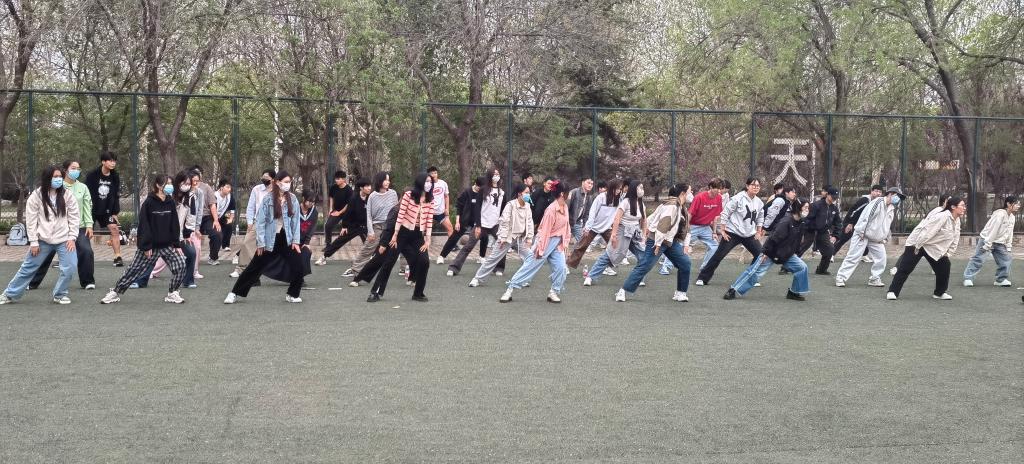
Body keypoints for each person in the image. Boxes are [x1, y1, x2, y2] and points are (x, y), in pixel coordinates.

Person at [99, 174, 188, 304]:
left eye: (171, 183)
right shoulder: (149, 203)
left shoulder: (170, 202)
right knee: (133, 270)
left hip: (167, 245)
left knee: (181, 265)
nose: (170, 186)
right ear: (158, 185)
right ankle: (115, 292)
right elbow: (144, 226)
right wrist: (146, 246)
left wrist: (176, 244)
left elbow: (174, 224)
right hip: (150, 246)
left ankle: (172, 292)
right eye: (167, 183)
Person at [0, 166, 81, 305]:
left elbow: (74, 217)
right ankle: (9, 294)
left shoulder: (67, 194)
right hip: (42, 240)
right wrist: (33, 242)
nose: (58, 179)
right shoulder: (36, 196)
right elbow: (31, 221)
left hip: (64, 239)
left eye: (60, 177)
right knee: (28, 268)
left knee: (70, 267)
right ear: (47, 178)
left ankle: (60, 294)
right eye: (55, 177)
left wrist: (72, 237)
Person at [224, 171, 304, 304]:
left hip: (287, 239)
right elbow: (260, 222)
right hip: (269, 239)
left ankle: (292, 294)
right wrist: (261, 243)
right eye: (285, 182)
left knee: (299, 267)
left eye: (289, 182)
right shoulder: (268, 199)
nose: (288, 184)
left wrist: (296, 241)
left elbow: (296, 222)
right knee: (254, 268)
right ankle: (234, 293)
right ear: (277, 182)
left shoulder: (293, 199)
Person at [615, 183, 693, 303]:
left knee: (685, 263)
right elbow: (663, 224)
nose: (691, 194)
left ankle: (680, 293)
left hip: (669, 241)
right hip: (658, 240)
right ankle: (623, 291)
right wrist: (657, 243)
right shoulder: (672, 206)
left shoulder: (681, 207)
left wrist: (686, 245)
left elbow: (685, 227)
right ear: (683, 193)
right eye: (690, 192)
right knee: (645, 265)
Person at [722, 198, 811, 301]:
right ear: (798, 207)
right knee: (755, 272)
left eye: (808, 208)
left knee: (802, 267)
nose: (807, 210)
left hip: (786, 254)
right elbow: (773, 238)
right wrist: (765, 252)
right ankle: (733, 290)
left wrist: (796, 252)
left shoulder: (802, 223)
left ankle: (794, 292)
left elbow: (797, 240)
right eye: (805, 207)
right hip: (771, 252)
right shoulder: (786, 221)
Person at [28, 160, 96, 291]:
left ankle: (87, 281)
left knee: (86, 250)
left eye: (78, 168)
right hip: (58, 228)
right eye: (73, 168)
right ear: (65, 170)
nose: (76, 171)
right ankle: (32, 282)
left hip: (79, 226)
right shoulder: (58, 187)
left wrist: (89, 225)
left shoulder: (83, 188)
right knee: (45, 254)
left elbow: (87, 206)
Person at [500, 180, 570, 303]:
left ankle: (554, 292)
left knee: (562, 268)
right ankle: (510, 289)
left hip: (557, 243)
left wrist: (565, 244)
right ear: (562, 193)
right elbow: (544, 231)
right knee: (530, 266)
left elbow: (566, 227)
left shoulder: (565, 207)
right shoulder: (551, 210)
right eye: (568, 192)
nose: (570, 194)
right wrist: (540, 248)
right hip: (545, 241)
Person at [369, 173, 434, 302]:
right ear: (420, 182)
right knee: (389, 262)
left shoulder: (430, 199)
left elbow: (429, 221)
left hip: (417, 235)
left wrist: (428, 240)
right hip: (402, 233)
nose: (429, 184)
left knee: (424, 261)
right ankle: (375, 292)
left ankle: (418, 293)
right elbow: (400, 215)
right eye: (427, 181)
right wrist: (395, 235)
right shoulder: (408, 195)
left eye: (431, 182)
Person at [886, 197, 965, 301]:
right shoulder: (942, 216)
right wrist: (917, 246)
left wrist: (949, 252)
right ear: (953, 207)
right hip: (917, 243)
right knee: (905, 268)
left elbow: (955, 236)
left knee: (945, 266)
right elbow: (927, 231)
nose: (964, 208)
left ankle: (939, 293)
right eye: (962, 205)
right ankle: (892, 291)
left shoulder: (957, 219)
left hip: (932, 247)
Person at [694, 177, 765, 285]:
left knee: (760, 255)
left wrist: (758, 232)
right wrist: (723, 230)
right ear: (747, 186)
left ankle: (750, 278)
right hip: (732, 233)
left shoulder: (759, 202)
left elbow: (760, 217)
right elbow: (725, 213)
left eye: (758, 186)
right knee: (719, 255)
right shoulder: (738, 198)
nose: (756, 187)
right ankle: (702, 278)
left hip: (749, 234)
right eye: (753, 185)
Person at [835, 187, 904, 288]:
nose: (899, 199)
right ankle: (840, 278)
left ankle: (874, 279)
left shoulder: (891, 208)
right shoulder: (878, 202)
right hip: (862, 234)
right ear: (890, 194)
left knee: (881, 258)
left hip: (875, 238)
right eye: (898, 196)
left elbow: (887, 224)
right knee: (853, 257)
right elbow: (867, 216)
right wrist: (862, 232)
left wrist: (884, 237)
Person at [469, 183, 534, 287]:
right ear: (519, 194)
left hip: (520, 238)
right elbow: (504, 222)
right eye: (526, 192)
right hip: (507, 237)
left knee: (530, 257)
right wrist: (503, 237)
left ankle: (521, 279)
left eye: (529, 193)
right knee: (493, 258)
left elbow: (529, 222)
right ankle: (477, 278)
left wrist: (529, 238)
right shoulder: (510, 205)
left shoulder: (527, 206)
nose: (528, 195)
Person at [583, 180, 647, 286]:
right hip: (622, 232)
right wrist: (613, 235)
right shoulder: (625, 202)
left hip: (634, 232)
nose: (642, 190)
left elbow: (644, 220)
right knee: (609, 255)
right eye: (639, 188)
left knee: (643, 256)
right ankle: (590, 276)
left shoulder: (641, 204)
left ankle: (639, 279)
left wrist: (644, 235)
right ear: (633, 189)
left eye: (642, 188)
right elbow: (617, 219)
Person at [146, 171, 199, 289]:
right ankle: (141, 280)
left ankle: (188, 280)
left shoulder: (191, 197)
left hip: (179, 235)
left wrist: (188, 233)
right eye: (184, 183)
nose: (187, 186)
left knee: (191, 252)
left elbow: (191, 217)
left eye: (189, 184)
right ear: (178, 182)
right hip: (161, 233)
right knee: (151, 255)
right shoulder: (168, 195)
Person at [662, 178, 724, 274]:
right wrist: (686, 229)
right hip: (693, 226)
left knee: (715, 246)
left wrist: (714, 232)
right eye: (717, 188)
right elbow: (690, 214)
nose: (719, 191)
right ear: (711, 187)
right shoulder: (699, 197)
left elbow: (715, 217)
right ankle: (666, 267)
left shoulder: (719, 198)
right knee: (678, 245)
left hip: (706, 227)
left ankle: (704, 268)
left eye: (721, 189)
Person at [448, 170, 505, 275]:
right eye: (494, 174)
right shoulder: (483, 190)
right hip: (482, 224)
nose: (496, 176)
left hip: (495, 224)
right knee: (468, 246)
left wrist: (503, 223)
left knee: (502, 244)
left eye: (498, 174)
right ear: (490, 176)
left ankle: (499, 268)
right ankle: (453, 267)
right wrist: (478, 226)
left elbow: (503, 209)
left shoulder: (502, 192)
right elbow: (477, 208)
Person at [348, 171, 399, 279]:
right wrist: (370, 232)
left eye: (388, 180)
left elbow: (396, 211)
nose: (388, 182)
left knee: (402, 246)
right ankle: (356, 270)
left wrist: (396, 229)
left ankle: (406, 269)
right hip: (377, 227)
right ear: (380, 181)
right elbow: (369, 215)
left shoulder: (393, 193)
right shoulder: (372, 196)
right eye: (385, 180)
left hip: (391, 227)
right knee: (367, 248)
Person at [889, 194, 951, 276]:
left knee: (935, 251)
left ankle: (937, 268)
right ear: (944, 202)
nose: (952, 203)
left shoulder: (945, 212)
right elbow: (929, 226)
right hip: (920, 236)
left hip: (927, 238)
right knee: (910, 252)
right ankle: (896, 268)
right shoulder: (939, 210)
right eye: (949, 200)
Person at [963, 195, 1018, 287]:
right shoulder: (1000, 214)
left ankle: (1000, 280)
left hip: (1000, 243)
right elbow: (993, 230)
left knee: (1007, 258)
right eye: (1016, 204)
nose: (1018, 206)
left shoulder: (1012, 217)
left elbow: (1010, 232)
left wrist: (1008, 246)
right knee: (979, 259)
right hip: (987, 239)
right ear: (1008, 204)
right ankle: (968, 278)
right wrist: (987, 244)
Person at [262, 190, 315, 284]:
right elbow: (292, 224)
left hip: (303, 241)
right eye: (309, 201)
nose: (311, 203)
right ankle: (256, 274)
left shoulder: (314, 211)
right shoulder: (295, 207)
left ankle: (299, 278)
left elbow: (312, 227)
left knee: (305, 253)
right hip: (290, 239)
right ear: (303, 198)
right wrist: (293, 240)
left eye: (313, 201)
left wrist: (307, 242)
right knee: (270, 258)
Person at [566, 179, 623, 268]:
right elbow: (592, 212)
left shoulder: (619, 199)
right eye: (617, 188)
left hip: (607, 227)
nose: (618, 191)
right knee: (581, 246)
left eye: (620, 189)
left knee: (614, 246)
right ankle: (568, 265)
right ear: (612, 187)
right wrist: (588, 227)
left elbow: (617, 214)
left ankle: (608, 267)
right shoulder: (601, 197)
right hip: (593, 227)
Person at [230, 169, 276, 278]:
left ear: (273, 179)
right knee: (246, 243)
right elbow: (251, 207)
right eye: (263, 177)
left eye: (267, 178)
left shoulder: (277, 191)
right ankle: (241, 269)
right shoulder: (257, 189)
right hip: (258, 222)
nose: (264, 180)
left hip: (274, 223)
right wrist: (250, 222)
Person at [319, 178, 371, 273]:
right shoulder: (354, 198)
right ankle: (324, 257)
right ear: (361, 188)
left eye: (370, 186)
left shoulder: (371, 198)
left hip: (365, 226)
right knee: (340, 240)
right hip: (353, 225)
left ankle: (372, 260)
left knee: (371, 243)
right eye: (367, 186)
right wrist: (344, 226)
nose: (369, 188)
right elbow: (348, 213)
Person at [84, 151, 123, 266]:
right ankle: (83, 257)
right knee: (86, 233)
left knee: (114, 229)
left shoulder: (115, 176)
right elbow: (86, 193)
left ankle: (117, 257)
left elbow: (116, 194)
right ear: (103, 162)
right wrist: (86, 210)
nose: (113, 163)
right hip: (91, 209)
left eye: (114, 161)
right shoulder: (92, 175)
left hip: (107, 210)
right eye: (110, 161)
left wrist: (115, 212)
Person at [437, 178, 482, 265]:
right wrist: (457, 222)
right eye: (479, 187)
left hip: (478, 220)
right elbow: (459, 207)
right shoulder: (467, 192)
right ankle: (441, 256)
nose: (480, 189)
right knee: (454, 237)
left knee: (484, 237)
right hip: (465, 219)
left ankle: (481, 257)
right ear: (475, 184)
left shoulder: (483, 193)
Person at [832, 185, 884, 261]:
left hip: (862, 225)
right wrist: (850, 223)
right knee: (843, 238)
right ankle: (831, 254)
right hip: (851, 222)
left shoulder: (877, 203)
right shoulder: (865, 200)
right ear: (871, 191)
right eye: (876, 191)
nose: (878, 193)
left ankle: (864, 255)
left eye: (880, 192)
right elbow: (854, 211)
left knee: (866, 239)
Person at [799, 185, 842, 275]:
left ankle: (821, 270)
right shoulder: (816, 205)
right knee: (801, 248)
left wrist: (835, 235)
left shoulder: (834, 208)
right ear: (828, 195)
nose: (834, 199)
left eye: (836, 197)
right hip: (810, 231)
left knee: (830, 249)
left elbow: (838, 223)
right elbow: (807, 219)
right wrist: (803, 232)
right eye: (832, 197)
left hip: (823, 232)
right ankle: (786, 267)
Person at [190, 166, 221, 266]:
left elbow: (212, 205)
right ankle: (189, 258)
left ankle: (213, 257)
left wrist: (216, 220)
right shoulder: (186, 187)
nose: (197, 174)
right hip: (190, 218)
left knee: (217, 234)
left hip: (206, 217)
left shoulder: (206, 187)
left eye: (199, 172)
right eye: (194, 172)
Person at [323, 170, 352, 250]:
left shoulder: (349, 190)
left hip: (347, 212)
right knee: (328, 225)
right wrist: (331, 209)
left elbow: (348, 204)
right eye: (335, 178)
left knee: (353, 229)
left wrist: (340, 212)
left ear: (343, 179)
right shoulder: (334, 187)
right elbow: (331, 197)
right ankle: (328, 244)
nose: (336, 180)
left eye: (338, 179)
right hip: (336, 211)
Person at [427, 166, 453, 249]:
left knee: (450, 228)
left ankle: (451, 246)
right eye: (432, 173)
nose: (434, 174)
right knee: (423, 230)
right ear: (429, 175)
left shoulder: (443, 183)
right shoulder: (427, 185)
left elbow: (446, 196)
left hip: (440, 212)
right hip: (429, 212)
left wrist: (447, 209)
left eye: (435, 173)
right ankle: (421, 246)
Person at [567, 177, 596, 242]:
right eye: (588, 183)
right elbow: (566, 207)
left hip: (577, 222)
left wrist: (585, 225)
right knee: (562, 241)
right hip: (568, 221)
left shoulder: (589, 196)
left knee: (582, 240)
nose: (590, 185)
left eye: (591, 184)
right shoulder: (574, 192)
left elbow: (587, 213)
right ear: (583, 182)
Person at [214, 178, 236, 254]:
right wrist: (216, 220)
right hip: (213, 216)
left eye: (230, 187)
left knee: (229, 225)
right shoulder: (214, 196)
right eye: (227, 187)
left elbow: (232, 209)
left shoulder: (230, 197)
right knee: (216, 233)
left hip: (223, 215)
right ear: (221, 187)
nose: (229, 189)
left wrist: (231, 219)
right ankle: (215, 248)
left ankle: (226, 245)